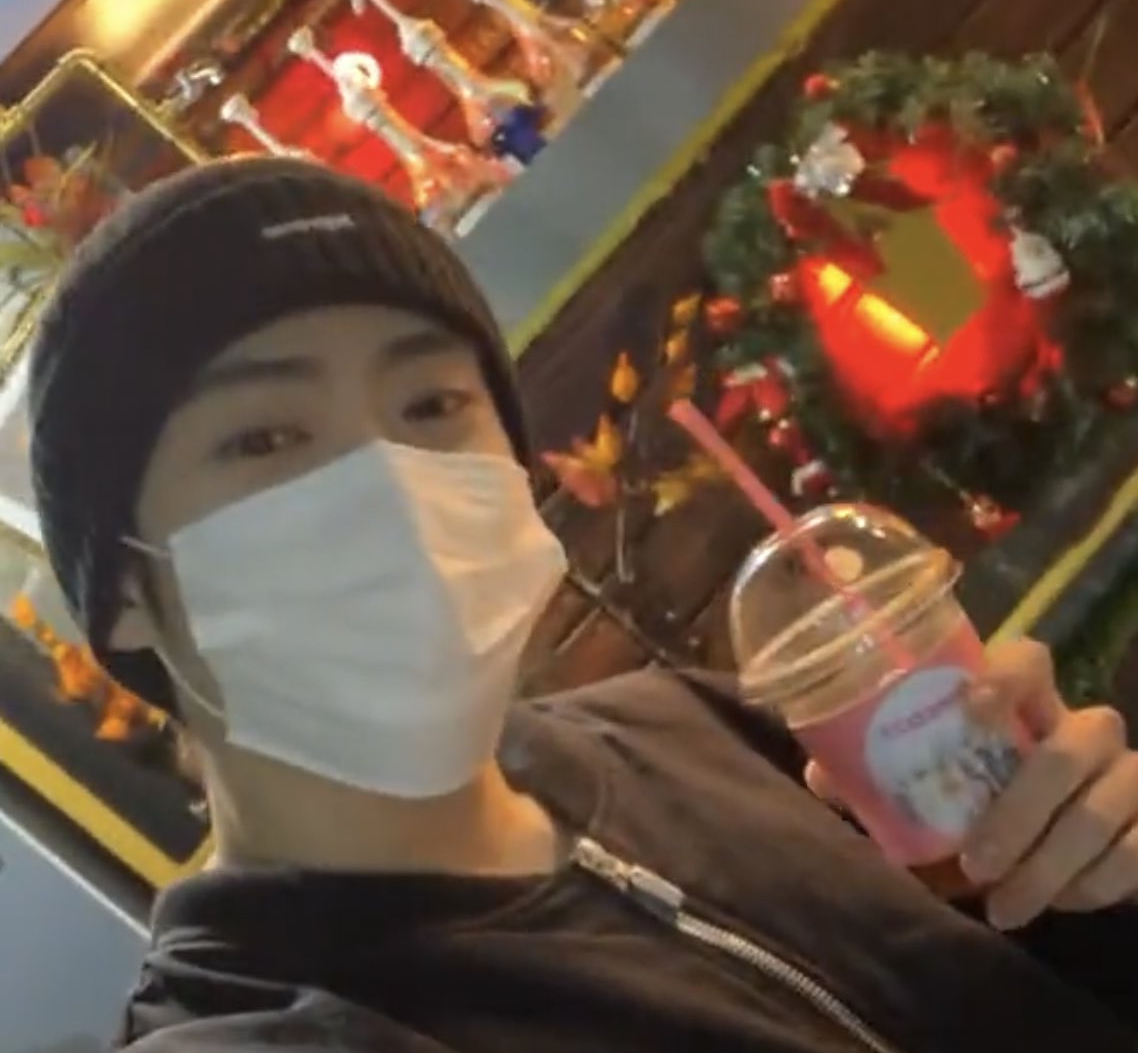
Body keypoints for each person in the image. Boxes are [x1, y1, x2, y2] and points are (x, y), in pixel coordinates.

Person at [27, 157, 1138, 1052]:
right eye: (265, 438)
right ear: (122, 590)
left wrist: (1080, 871)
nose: (392, 489)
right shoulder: (262, 1030)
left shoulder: (691, 727)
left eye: (431, 403)